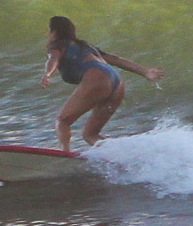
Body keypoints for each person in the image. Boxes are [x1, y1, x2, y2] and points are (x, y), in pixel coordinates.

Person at [39, 16, 164, 152]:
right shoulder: (85, 46)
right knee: (90, 135)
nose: (47, 34)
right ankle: (125, 158)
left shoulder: (57, 45)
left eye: (48, 30)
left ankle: (64, 157)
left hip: (97, 76)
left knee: (62, 121)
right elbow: (114, 60)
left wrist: (48, 73)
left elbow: (53, 59)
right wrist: (145, 72)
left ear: (55, 32)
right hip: (116, 81)